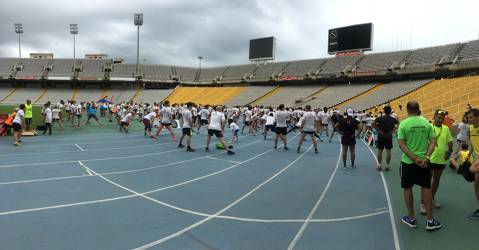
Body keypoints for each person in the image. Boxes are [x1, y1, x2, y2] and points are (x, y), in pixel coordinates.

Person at [398, 101, 442, 231]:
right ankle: (430, 221)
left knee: (407, 188)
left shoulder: (403, 124)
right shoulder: (426, 123)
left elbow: (401, 144)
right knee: (426, 188)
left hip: (408, 162)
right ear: (418, 109)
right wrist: (426, 158)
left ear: (407, 110)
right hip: (424, 163)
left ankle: (411, 219)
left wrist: (414, 158)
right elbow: (433, 142)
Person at [419, 110, 452, 213]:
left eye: (442, 118)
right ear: (434, 117)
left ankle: (431, 198)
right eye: (439, 117)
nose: (440, 119)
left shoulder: (446, 128)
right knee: (426, 181)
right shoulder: (428, 127)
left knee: (436, 180)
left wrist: (449, 151)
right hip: (429, 158)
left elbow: (450, 142)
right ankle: (423, 203)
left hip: (441, 159)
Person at [374, 106, 398, 171]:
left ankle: (379, 165)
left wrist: (379, 131)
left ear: (384, 111)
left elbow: (373, 124)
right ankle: (387, 165)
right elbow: (398, 124)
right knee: (388, 151)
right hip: (388, 137)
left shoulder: (379, 118)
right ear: (390, 111)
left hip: (381, 136)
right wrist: (392, 130)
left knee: (380, 150)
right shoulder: (393, 119)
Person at [466, 108, 479, 220]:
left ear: (477, 117)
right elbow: (472, 143)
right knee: (476, 185)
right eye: (468, 117)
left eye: (471, 117)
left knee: (471, 169)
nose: (468, 119)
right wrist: (468, 154)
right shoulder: (470, 128)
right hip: (476, 157)